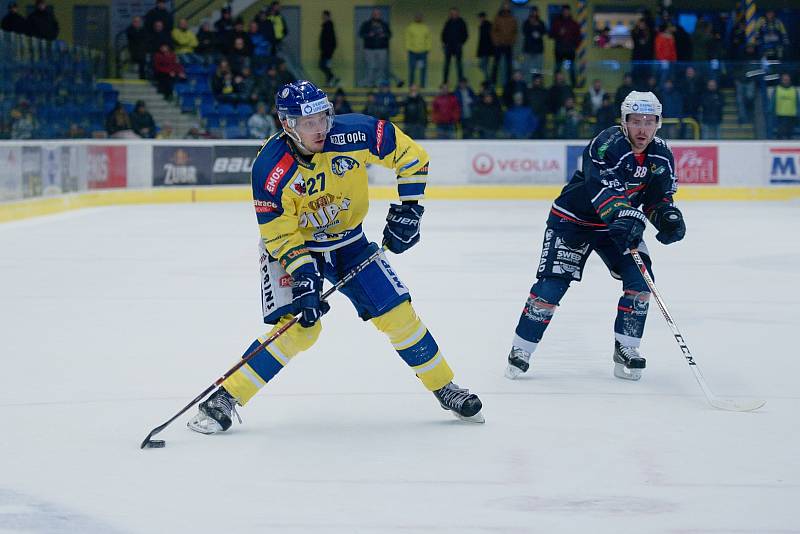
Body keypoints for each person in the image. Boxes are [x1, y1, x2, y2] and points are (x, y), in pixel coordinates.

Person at [186, 80, 484, 435]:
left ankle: (444, 386)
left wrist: (411, 208)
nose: (320, 129)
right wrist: (303, 274)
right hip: (295, 247)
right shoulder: (269, 168)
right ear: (287, 124)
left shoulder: (354, 132)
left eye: (323, 118)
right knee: (300, 329)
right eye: (309, 123)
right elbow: (279, 233)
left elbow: (412, 156)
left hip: (349, 242)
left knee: (398, 313)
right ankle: (225, 397)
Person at [504, 91, 685, 382]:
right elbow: (604, 190)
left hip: (618, 225)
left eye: (649, 122)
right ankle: (520, 349)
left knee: (640, 282)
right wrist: (625, 217)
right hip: (573, 222)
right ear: (624, 121)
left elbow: (657, 197)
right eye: (636, 121)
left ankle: (627, 347)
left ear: (658, 123)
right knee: (551, 287)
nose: (642, 128)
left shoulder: (661, 154)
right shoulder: (606, 144)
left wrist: (667, 217)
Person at [359, 8, 391, 87]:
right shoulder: (366, 24)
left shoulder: (384, 24)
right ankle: (369, 83)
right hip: (369, 49)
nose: (377, 15)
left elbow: (389, 34)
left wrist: (384, 35)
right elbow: (361, 34)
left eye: (378, 14)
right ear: (372, 15)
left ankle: (379, 83)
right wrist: (369, 35)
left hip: (382, 49)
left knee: (381, 67)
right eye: (375, 14)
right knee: (370, 66)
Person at [441, 7, 468, 86]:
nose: (453, 15)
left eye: (455, 13)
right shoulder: (448, 22)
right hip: (448, 47)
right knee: (446, 65)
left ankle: (460, 83)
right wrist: (444, 42)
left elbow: (466, 34)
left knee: (459, 65)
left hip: (457, 46)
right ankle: (445, 82)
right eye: (452, 13)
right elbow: (443, 34)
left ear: (458, 13)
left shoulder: (462, 22)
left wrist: (460, 43)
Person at [405, 13, 431, 88]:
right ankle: (411, 85)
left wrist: (428, 48)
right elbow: (407, 39)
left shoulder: (425, 27)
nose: (418, 18)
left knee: (422, 70)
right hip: (412, 52)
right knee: (412, 69)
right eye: (417, 17)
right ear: (415, 18)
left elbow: (428, 38)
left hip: (423, 52)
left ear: (422, 18)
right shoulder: (410, 27)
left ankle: (422, 85)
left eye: (420, 17)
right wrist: (409, 48)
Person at [772, 73, 799, 140]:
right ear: (781, 80)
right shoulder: (777, 89)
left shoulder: (794, 90)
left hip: (792, 115)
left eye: (787, 79)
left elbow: (797, 102)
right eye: (784, 79)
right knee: (781, 133)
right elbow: (773, 102)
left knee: (790, 134)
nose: (786, 81)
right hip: (780, 115)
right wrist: (771, 112)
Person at [319, 11, 338, 86]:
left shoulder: (328, 26)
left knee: (323, 65)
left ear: (328, 16)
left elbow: (329, 39)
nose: (323, 17)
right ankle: (330, 80)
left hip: (327, 51)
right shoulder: (326, 25)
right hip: (326, 50)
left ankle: (332, 78)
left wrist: (328, 50)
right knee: (326, 66)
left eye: (324, 16)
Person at [476, 12, 494, 83]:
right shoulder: (484, 25)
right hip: (485, 49)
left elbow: (486, 39)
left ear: (482, 17)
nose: (479, 19)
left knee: (482, 65)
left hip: (486, 49)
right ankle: (488, 79)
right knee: (484, 65)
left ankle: (488, 79)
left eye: (479, 18)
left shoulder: (487, 25)